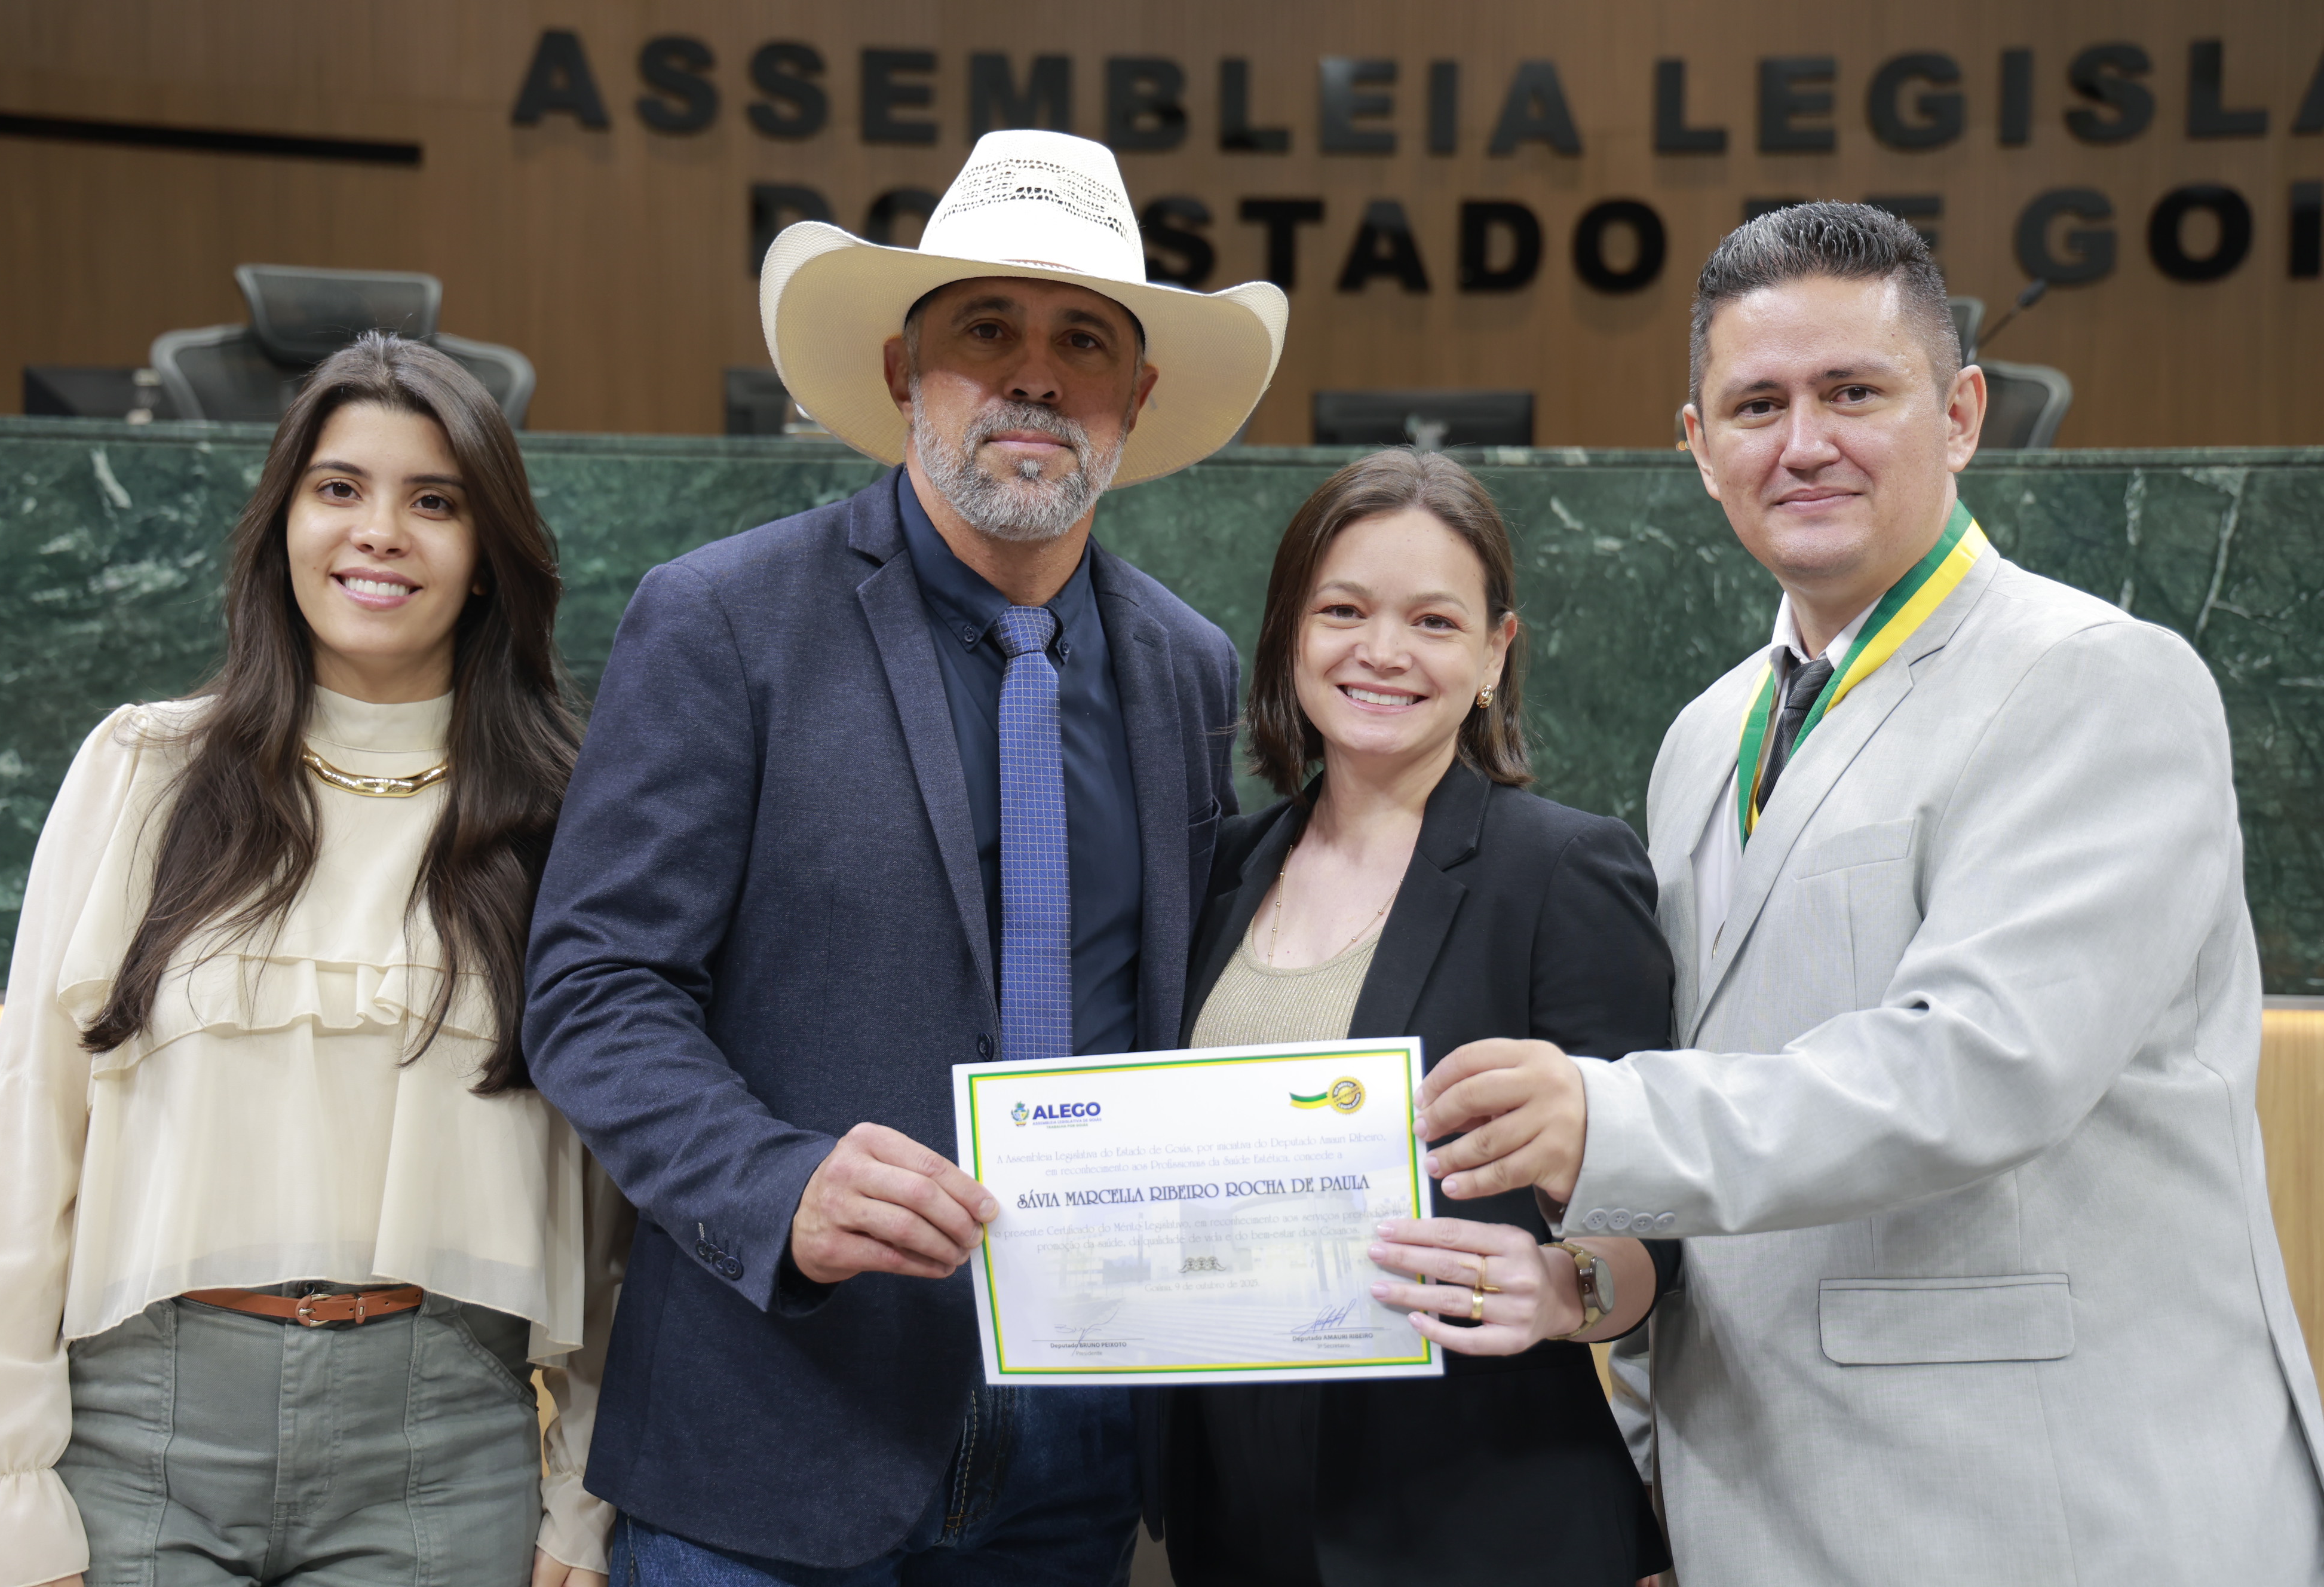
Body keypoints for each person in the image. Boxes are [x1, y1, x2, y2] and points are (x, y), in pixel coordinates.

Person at [1412, 201, 2324, 1581]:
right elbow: (1719, 1125)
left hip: (2053, 1513)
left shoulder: (2093, 679)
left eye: (1853, 392)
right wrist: (1649, 1447)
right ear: (1698, 445)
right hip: (1758, 1504)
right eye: (1757, 404)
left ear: (1960, 415)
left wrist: (1604, 1113)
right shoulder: (1705, 736)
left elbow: (1979, 1065)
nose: (1804, 442)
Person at [520, 128, 1286, 1582]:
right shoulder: (724, 619)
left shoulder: (1186, 665)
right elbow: (592, 987)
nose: (1034, 376)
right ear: (900, 371)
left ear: (1136, 397)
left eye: (1083, 341)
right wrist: (776, 1184)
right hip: (775, 1424)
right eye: (986, 329)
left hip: (1079, 1438)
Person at [0, 333, 624, 1586]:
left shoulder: (568, 814)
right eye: (339, 488)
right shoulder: (143, 770)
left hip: (443, 1446)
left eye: (435, 501)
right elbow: (28, 1142)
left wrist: (584, 1492)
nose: (381, 533)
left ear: (489, 555)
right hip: (139, 1438)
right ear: (284, 525)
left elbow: (612, 1197)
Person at [1148, 449, 1676, 1586]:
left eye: (1434, 621)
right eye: (1343, 611)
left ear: (1493, 654)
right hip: (1235, 1515)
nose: (1382, 652)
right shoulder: (1218, 872)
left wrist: (1563, 1291)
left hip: (1481, 1519)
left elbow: (1661, 1227)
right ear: (1291, 635)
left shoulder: (1564, 872)